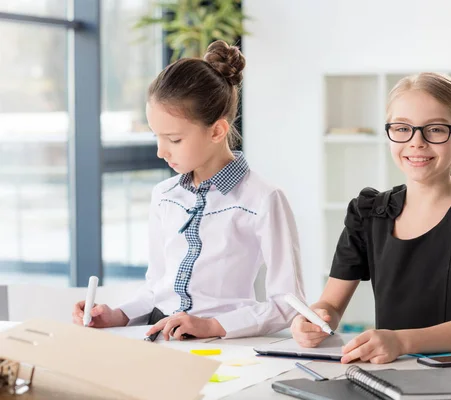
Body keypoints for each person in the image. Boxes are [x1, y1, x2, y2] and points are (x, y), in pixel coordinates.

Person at [72, 40, 305, 340]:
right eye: (157, 136)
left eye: (174, 139)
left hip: (223, 345)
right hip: (159, 337)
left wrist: (213, 326)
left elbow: (288, 303)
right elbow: (156, 285)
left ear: (217, 131)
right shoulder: (165, 196)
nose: (160, 151)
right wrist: (118, 315)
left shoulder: (263, 199)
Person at [291, 72, 451, 364]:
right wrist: (311, 320)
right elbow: (330, 303)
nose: (416, 142)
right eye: (402, 128)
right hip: (387, 369)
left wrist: (400, 341)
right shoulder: (368, 213)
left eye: (435, 129)